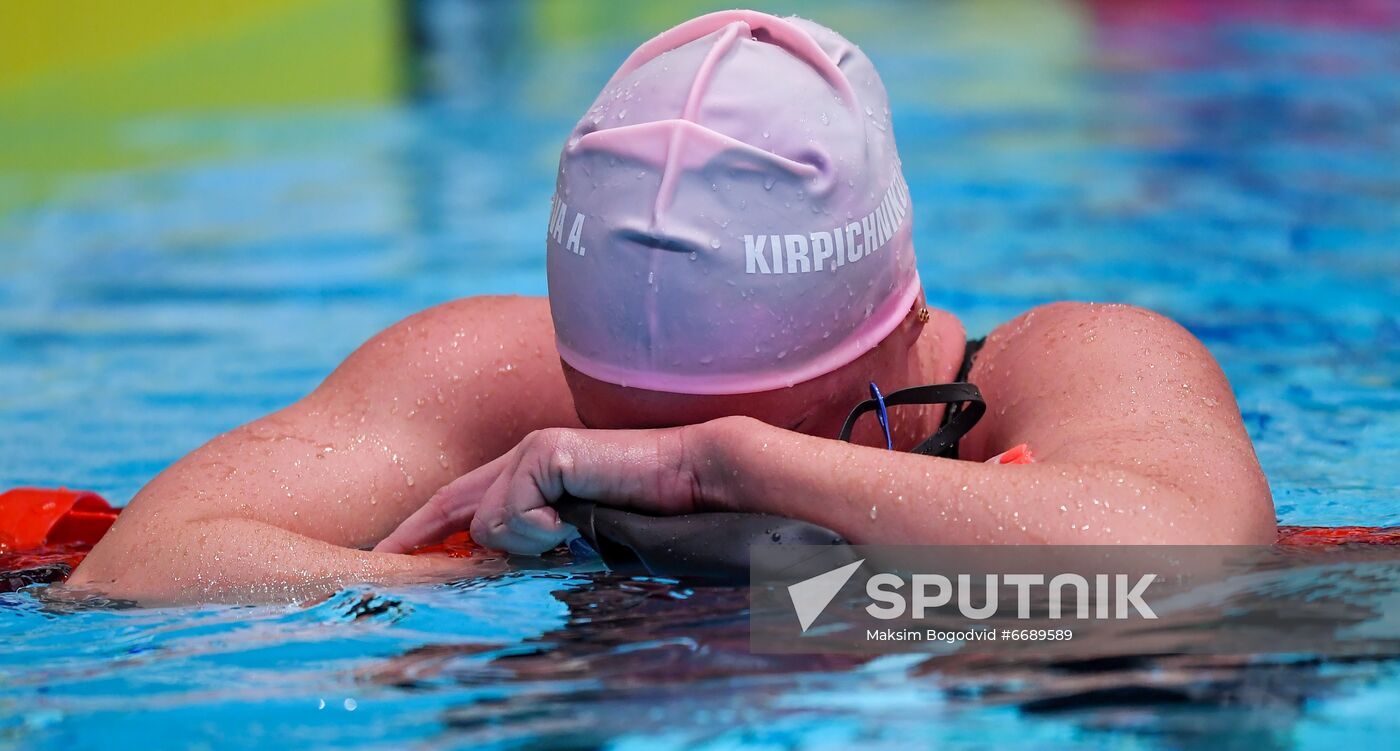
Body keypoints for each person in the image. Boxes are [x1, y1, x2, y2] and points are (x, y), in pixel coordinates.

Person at [67, 10, 1275, 604]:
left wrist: (727, 474)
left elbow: (1207, 575)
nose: (638, 465)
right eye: (616, 430)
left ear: (899, 334)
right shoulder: (479, 370)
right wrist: (493, 578)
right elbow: (141, 567)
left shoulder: (1075, 363)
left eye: (797, 425)